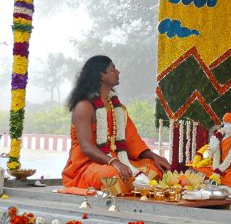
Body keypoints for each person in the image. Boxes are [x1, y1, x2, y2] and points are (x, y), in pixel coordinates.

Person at [62, 55, 170, 192]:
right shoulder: (84, 106)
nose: (118, 72)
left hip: (118, 161)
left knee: (155, 169)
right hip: (87, 166)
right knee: (113, 176)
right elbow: (86, 147)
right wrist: (114, 162)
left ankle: (132, 185)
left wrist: (155, 157)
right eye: (113, 69)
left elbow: (132, 141)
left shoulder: (118, 108)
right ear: (101, 75)